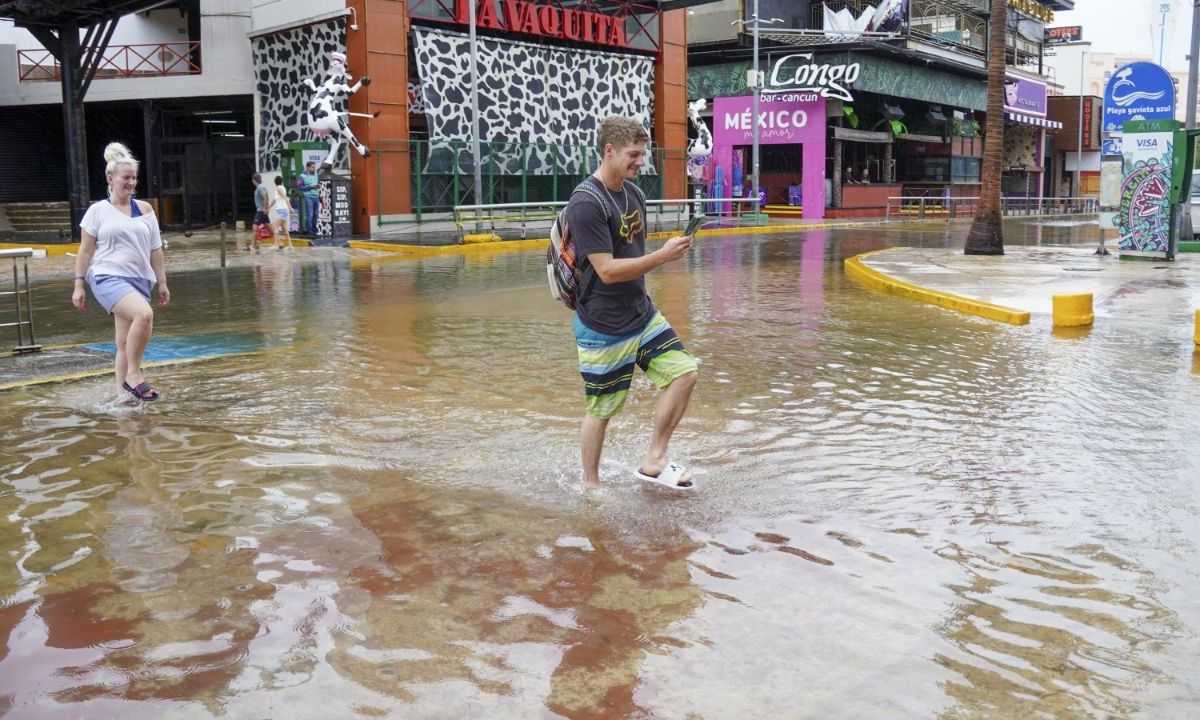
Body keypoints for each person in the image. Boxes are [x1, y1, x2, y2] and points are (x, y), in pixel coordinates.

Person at [566, 116, 699, 491]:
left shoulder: (634, 194)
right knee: (601, 410)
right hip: (602, 324)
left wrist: (667, 251)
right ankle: (591, 485)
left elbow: (631, 251)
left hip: (641, 314)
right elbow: (606, 270)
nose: (641, 162)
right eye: (634, 154)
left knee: (684, 373)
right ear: (609, 151)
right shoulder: (586, 203)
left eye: (643, 154)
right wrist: (662, 256)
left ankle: (655, 459)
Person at [71, 142, 170, 402]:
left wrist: (162, 282)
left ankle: (121, 398)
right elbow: (84, 252)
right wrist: (79, 284)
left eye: (134, 177)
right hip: (106, 276)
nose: (131, 182)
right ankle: (134, 376)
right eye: (126, 177)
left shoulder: (145, 210)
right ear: (110, 178)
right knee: (144, 315)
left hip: (139, 280)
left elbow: (155, 249)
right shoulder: (98, 211)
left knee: (124, 341)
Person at [271, 176, 294, 251]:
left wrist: (290, 208)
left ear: (275, 182)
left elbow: (285, 197)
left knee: (275, 226)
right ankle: (290, 245)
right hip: (282, 210)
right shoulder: (281, 188)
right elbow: (274, 200)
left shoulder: (278, 188)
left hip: (282, 210)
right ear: (282, 181)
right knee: (284, 229)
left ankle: (277, 245)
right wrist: (269, 207)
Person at [298, 161, 320, 235]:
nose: (314, 169)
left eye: (314, 167)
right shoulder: (302, 176)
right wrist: (311, 187)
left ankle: (314, 231)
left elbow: (317, 184)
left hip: (316, 197)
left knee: (316, 215)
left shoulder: (316, 175)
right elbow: (299, 187)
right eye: (312, 167)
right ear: (308, 167)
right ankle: (310, 232)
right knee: (309, 215)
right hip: (308, 197)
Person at [250, 172, 271, 253]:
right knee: (269, 227)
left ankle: (252, 245)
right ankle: (279, 242)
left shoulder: (260, 187)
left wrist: (265, 208)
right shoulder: (260, 187)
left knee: (254, 227)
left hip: (260, 211)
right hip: (262, 210)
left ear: (254, 180)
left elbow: (265, 196)